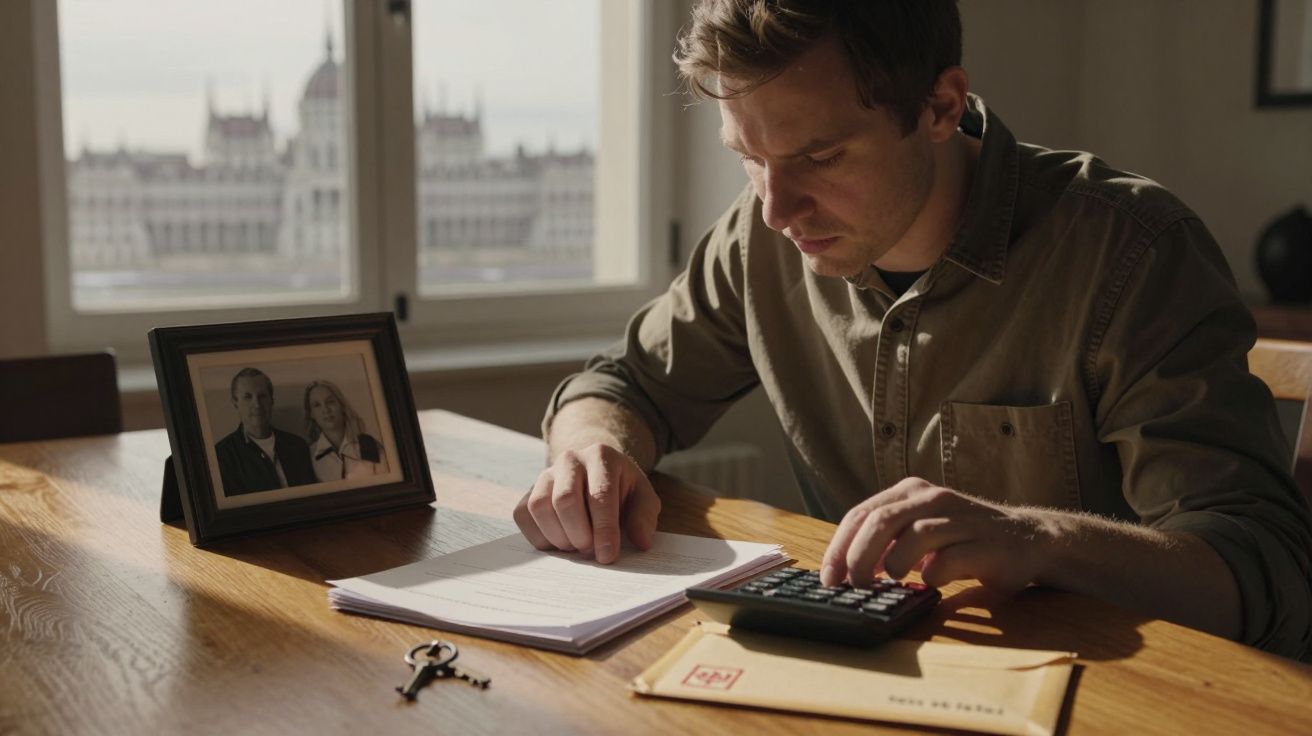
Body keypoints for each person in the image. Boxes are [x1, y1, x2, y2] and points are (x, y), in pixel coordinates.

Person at [513, 0, 1312, 660]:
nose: (775, 209)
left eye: (820, 156)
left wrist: (1037, 539)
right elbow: (622, 385)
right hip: (870, 671)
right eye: (748, 157)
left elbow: (1266, 566)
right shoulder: (759, 241)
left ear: (940, 106)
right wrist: (592, 449)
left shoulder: (1132, 252)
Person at [214, 367, 317, 494]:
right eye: (247, 397)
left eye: (262, 396)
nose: (257, 404)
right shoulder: (222, 456)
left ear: (271, 400)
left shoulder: (297, 446)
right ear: (235, 403)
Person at [303, 379, 389, 481]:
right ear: (311, 414)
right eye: (316, 405)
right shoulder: (308, 456)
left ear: (341, 405)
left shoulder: (369, 445)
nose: (325, 410)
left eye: (330, 402)